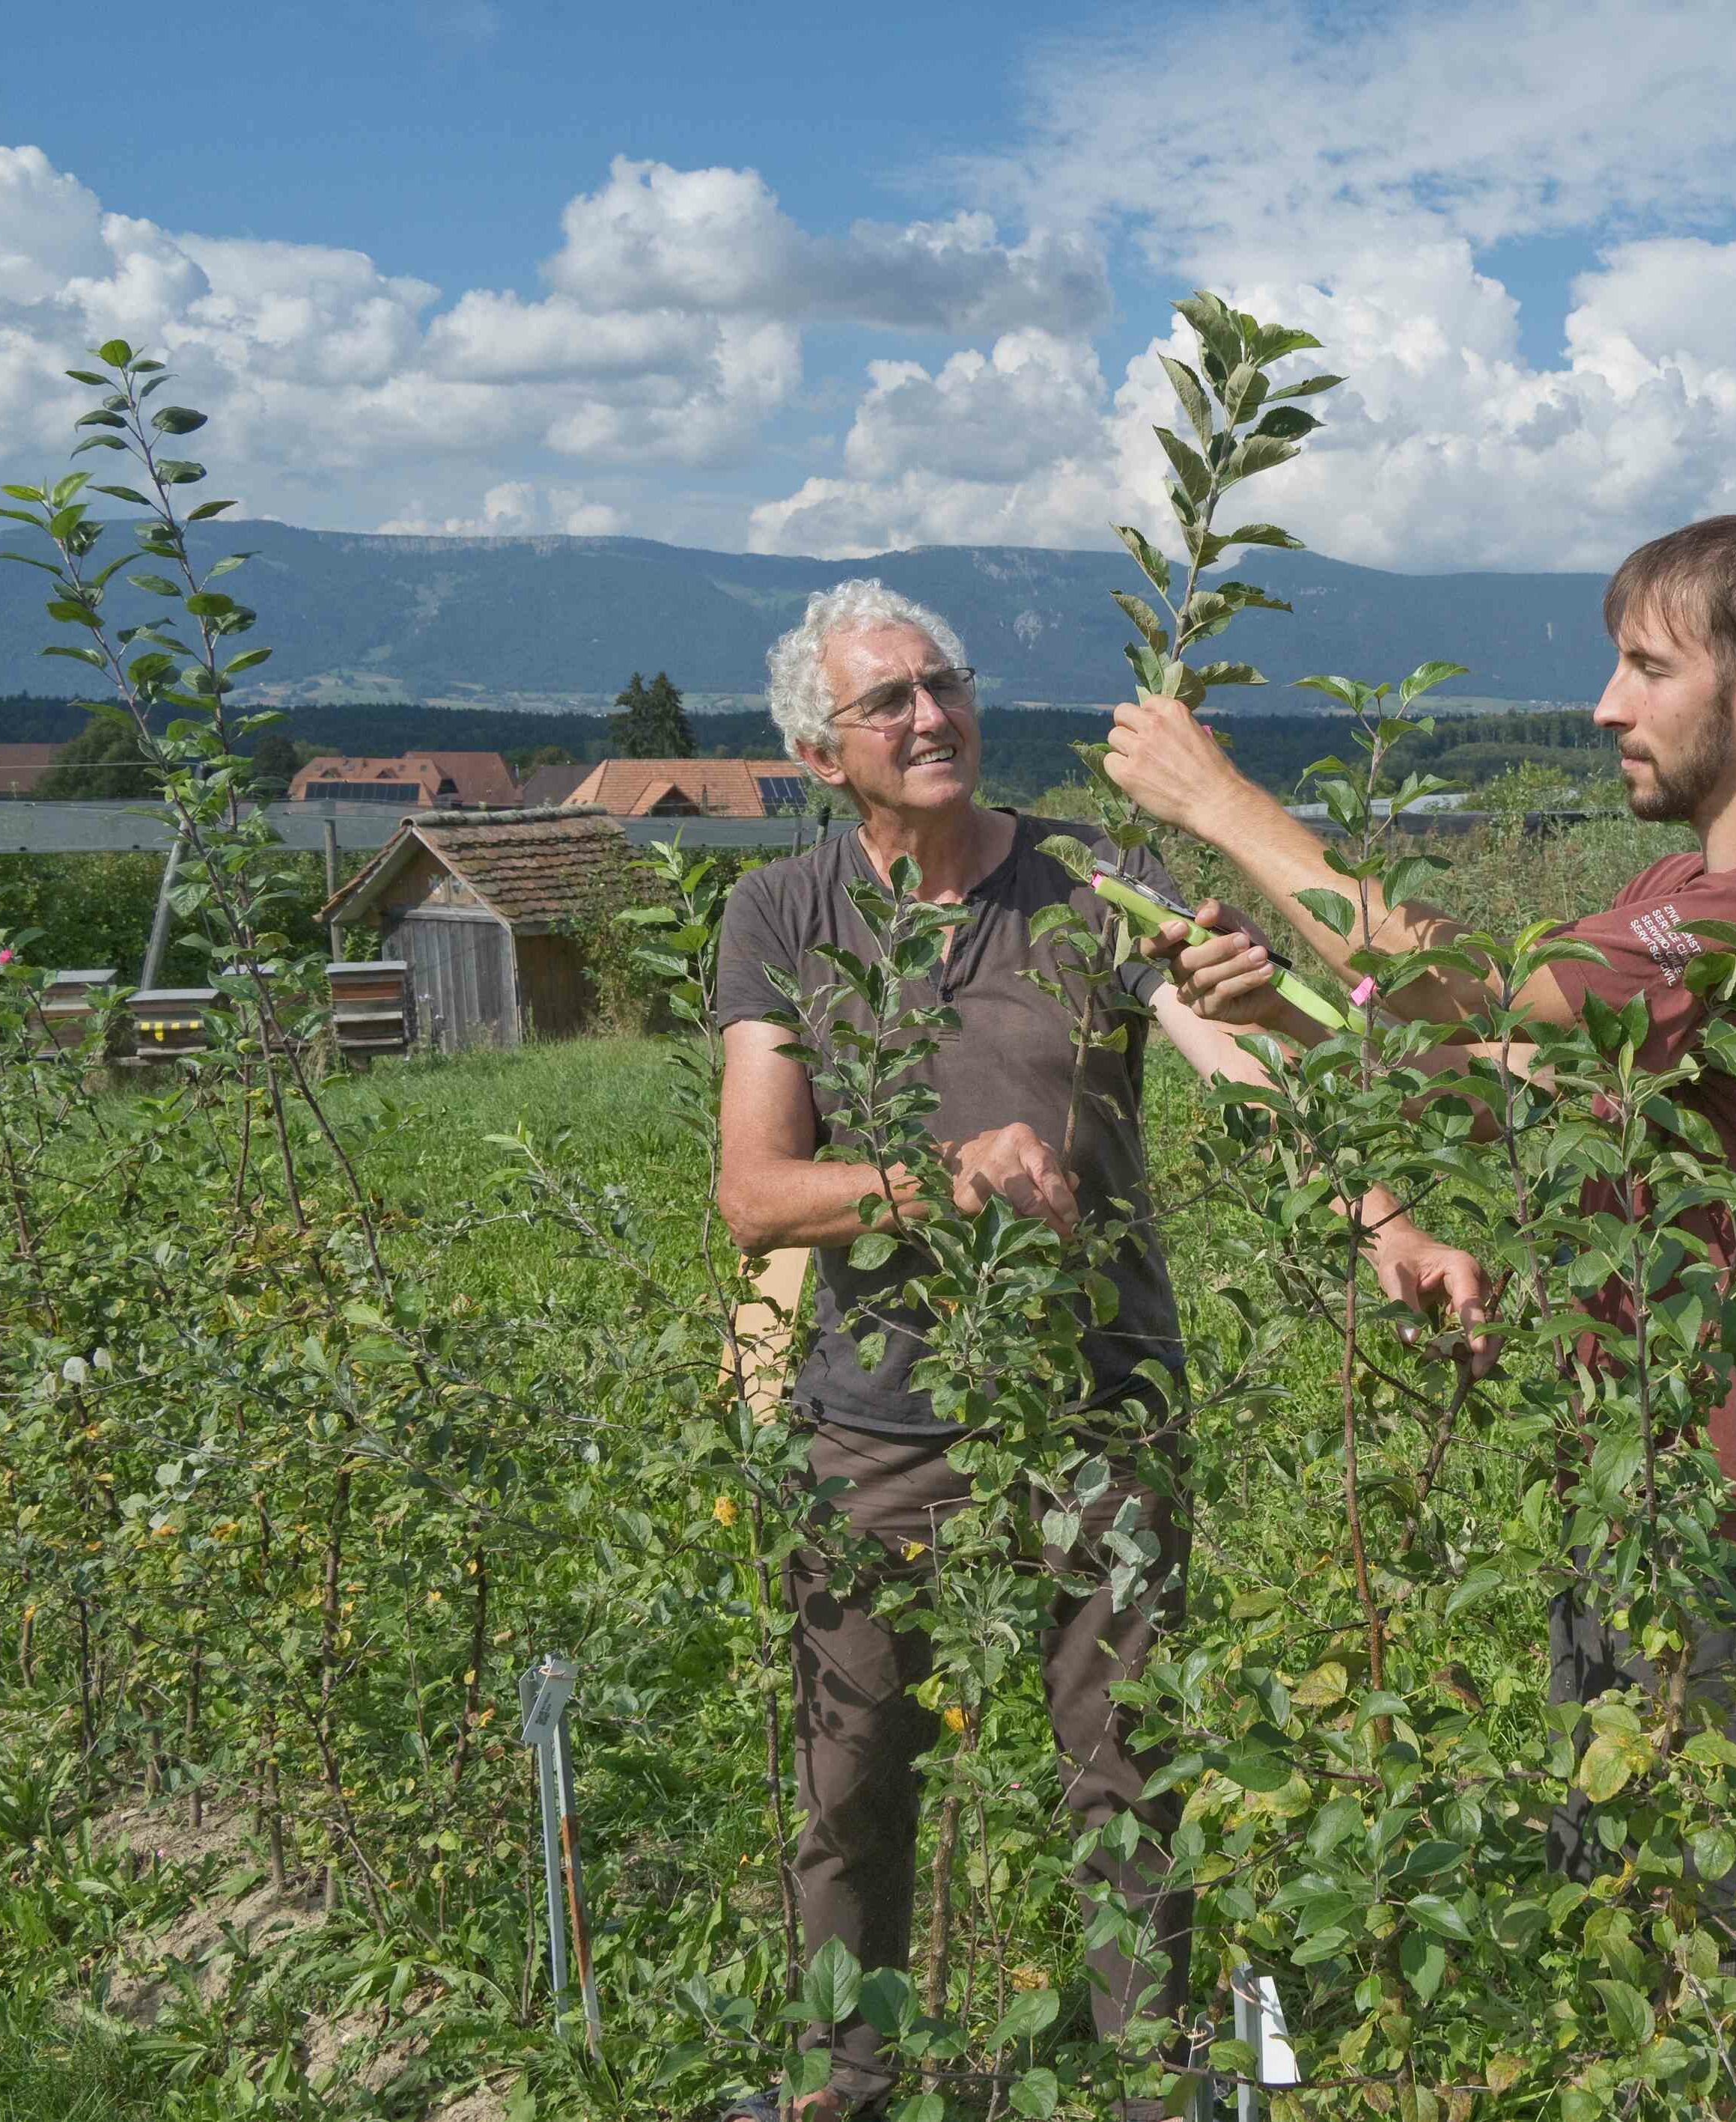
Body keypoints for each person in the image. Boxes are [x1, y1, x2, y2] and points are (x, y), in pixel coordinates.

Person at [1098, 515, 1736, 2098]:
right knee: (1625, 1907)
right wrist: (1283, 1004)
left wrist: (1223, 802)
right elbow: (1524, 1084)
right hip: (1632, 1491)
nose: (1608, 702)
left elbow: (1469, 987)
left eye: (1644, 665)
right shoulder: (1687, 882)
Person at [713, 579, 1485, 2122]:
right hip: (874, 1423)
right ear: (819, 749)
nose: (933, 716)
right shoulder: (785, 914)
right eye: (890, 701)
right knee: (852, 1782)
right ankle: (842, 2086)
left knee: (1127, 1770)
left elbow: (1247, 1063)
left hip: (1100, 1414)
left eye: (946, 683)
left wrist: (1387, 1222)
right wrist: (945, 1178)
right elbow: (755, 1190)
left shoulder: (1091, 883)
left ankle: (1151, 2085)